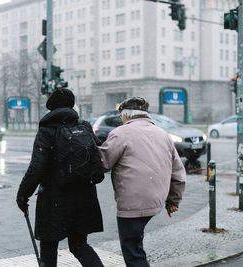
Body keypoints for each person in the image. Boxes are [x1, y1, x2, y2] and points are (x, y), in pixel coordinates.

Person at [16, 88, 104, 267]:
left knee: (49, 247)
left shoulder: (47, 130)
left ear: (51, 108)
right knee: (79, 245)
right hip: (84, 195)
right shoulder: (84, 126)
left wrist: (22, 195)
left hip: (54, 198)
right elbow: (98, 155)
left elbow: (36, 168)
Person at [98, 96, 186, 267]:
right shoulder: (163, 134)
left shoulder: (120, 133)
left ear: (126, 115)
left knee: (133, 251)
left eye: (122, 116)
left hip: (133, 203)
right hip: (156, 200)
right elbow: (178, 172)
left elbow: (103, 163)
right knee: (136, 244)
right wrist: (173, 201)